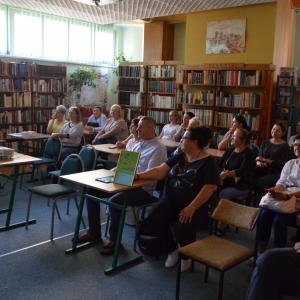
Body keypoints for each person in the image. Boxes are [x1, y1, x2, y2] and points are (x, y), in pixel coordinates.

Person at [77, 117, 167, 255]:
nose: (137, 129)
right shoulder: (136, 144)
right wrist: (113, 172)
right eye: (138, 127)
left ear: (152, 130)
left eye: (141, 127)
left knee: (115, 202)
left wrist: (131, 177)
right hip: (124, 181)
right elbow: (125, 165)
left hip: (142, 188)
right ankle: (94, 231)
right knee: (91, 191)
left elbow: (152, 175)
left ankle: (115, 240)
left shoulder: (158, 148)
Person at [136, 126, 219, 272]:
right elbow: (160, 171)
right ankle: (172, 250)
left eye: (184, 138)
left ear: (194, 142)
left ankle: (186, 257)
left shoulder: (208, 162)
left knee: (183, 224)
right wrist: (137, 176)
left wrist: (192, 207)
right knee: (154, 217)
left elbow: (209, 188)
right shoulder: (179, 155)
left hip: (195, 204)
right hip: (171, 199)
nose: (180, 139)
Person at [247, 134, 300, 264]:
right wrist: (275, 190)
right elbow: (281, 183)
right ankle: (261, 252)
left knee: (279, 219)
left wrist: (286, 196)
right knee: (264, 214)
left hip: (297, 204)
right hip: (285, 198)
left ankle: (278, 258)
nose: (297, 147)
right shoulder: (290, 163)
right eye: (295, 145)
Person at [216, 128, 255, 236]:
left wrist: (225, 174)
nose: (231, 137)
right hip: (226, 182)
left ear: (243, 141)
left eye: (235, 136)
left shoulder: (249, 154)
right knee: (208, 187)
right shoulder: (230, 151)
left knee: (224, 193)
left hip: (241, 185)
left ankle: (221, 225)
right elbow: (219, 166)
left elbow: (243, 171)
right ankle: (208, 217)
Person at [256, 122, 289, 199]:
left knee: (262, 181)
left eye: (277, 130)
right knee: (249, 176)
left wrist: (264, 160)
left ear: (283, 133)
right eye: (273, 129)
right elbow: (258, 157)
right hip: (261, 168)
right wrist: (259, 163)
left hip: (275, 171)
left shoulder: (285, 146)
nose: (274, 131)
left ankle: (264, 202)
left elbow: (280, 164)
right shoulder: (265, 142)